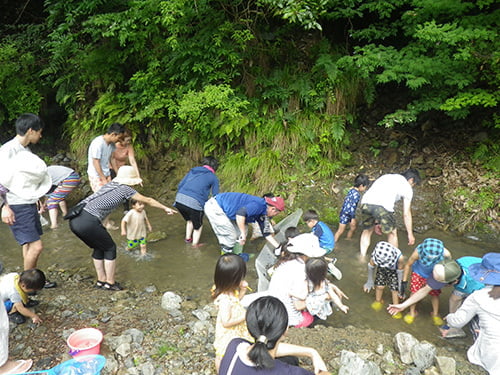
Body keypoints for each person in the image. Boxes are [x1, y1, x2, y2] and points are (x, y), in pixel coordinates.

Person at [69, 166, 177, 291]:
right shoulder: (125, 189)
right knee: (110, 248)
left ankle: (101, 281)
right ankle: (110, 282)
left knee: (99, 247)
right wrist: (165, 208)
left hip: (75, 219)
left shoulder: (110, 185)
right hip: (88, 222)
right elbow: (148, 200)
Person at [219, 296, 331, 375]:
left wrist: (311, 352)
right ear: (285, 330)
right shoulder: (290, 373)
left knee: (290, 359)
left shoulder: (235, 345)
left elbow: (264, 345)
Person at [0, 151, 56, 289]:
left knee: (28, 245)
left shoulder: (20, 171)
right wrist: (4, 206)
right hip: (18, 206)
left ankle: (27, 279)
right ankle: (27, 284)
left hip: (26, 203)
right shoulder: (8, 172)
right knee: (37, 247)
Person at [388, 256, 485, 333]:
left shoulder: (476, 286)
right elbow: (424, 290)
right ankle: (453, 325)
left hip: (486, 286)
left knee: (478, 313)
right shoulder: (451, 267)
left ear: (454, 281)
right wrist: (402, 306)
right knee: (455, 298)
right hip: (465, 282)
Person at [445, 253, 500, 375]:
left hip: (493, 357)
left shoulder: (477, 296)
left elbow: (457, 322)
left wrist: (449, 317)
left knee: (473, 317)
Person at [359, 168, 421, 258]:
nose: (412, 186)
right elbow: (406, 213)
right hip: (383, 207)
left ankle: (361, 257)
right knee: (392, 233)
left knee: (367, 231)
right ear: (411, 180)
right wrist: (410, 234)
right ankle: (395, 259)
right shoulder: (407, 187)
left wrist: (376, 223)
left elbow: (376, 200)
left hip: (365, 203)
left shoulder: (386, 177)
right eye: (413, 184)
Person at [268, 233, 326, 328]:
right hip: (288, 318)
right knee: (325, 304)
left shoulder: (287, 262)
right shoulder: (302, 270)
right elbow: (298, 306)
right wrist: (324, 297)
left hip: (274, 309)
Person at [204, 192, 284, 253]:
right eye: (277, 213)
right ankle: (226, 259)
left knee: (243, 231)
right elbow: (240, 214)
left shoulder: (263, 212)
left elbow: (266, 233)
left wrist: (279, 247)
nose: (275, 215)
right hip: (215, 207)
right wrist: (242, 233)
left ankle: (237, 255)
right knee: (230, 236)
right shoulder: (259, 205)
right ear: (273, 209)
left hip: (228, 210)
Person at [212, 254, 253, 371]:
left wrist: (243, 290)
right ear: (233, 279)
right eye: (240, 277)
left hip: (235, 328)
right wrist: (245, 315)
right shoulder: (224, 299)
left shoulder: (230, 290)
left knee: (236, 350)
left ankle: (235, 366)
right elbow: (226, 322)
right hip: (228, 333)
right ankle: (221, 371)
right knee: (222, 354)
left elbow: (236, 301)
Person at [399, 238, 452, 325]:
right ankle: (412, 312)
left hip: (435, 275)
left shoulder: (446, 254)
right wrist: (404, 282)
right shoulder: (418, 252)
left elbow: (448, 267)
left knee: (435, 294)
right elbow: (408, 265)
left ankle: (435, 314)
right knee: (414, 292)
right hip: (418, 273)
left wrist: (447, 280)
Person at [174, 156, 219, 247]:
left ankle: (188, 239)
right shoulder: (213, 177)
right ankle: (195, 246)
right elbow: (215, 195)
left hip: (179, 200)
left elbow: (180, 185)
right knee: (198, 226)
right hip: (194, 203)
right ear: (215, 167)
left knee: (190, 220)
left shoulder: (192, 171)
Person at [0, 271, 34, 374]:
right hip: (4, 299)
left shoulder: (15, 276)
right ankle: (2, 365)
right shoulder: (14, 292)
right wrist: (33, 316)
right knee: (13, 304)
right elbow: (20, 308)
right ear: (23, 285)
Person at [363, 241, 405, 319]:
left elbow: (400, 271)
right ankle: (378, 300)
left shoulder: (399, 257)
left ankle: (396, 307)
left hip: (394, 271)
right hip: (382, 269)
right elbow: (371, 266)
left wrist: (400, 287)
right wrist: (369, 281)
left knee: (394, 290)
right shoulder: (377, 254)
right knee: (379, 286)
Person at [87, 123, 125, 193]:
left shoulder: (112, 144)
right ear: (113, 134)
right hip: (96, 175)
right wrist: (103, 179)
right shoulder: (98, 143)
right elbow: (95, 162)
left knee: (110, 195)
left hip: (106, 173)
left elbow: (112, 158)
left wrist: (118, 173)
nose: (119, 140)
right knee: (102, 197)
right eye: (119, 138)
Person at [334, 174, 369, 243]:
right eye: (365, 187)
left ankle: (348, 238)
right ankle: (334, 242)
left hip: (344, 212)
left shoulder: (351, 190)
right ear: (361, 186)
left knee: (352, 228)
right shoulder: (357, 195)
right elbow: (352, 207)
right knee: (341, 230)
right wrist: (352, 218)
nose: (365, 188)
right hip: (347, 214)